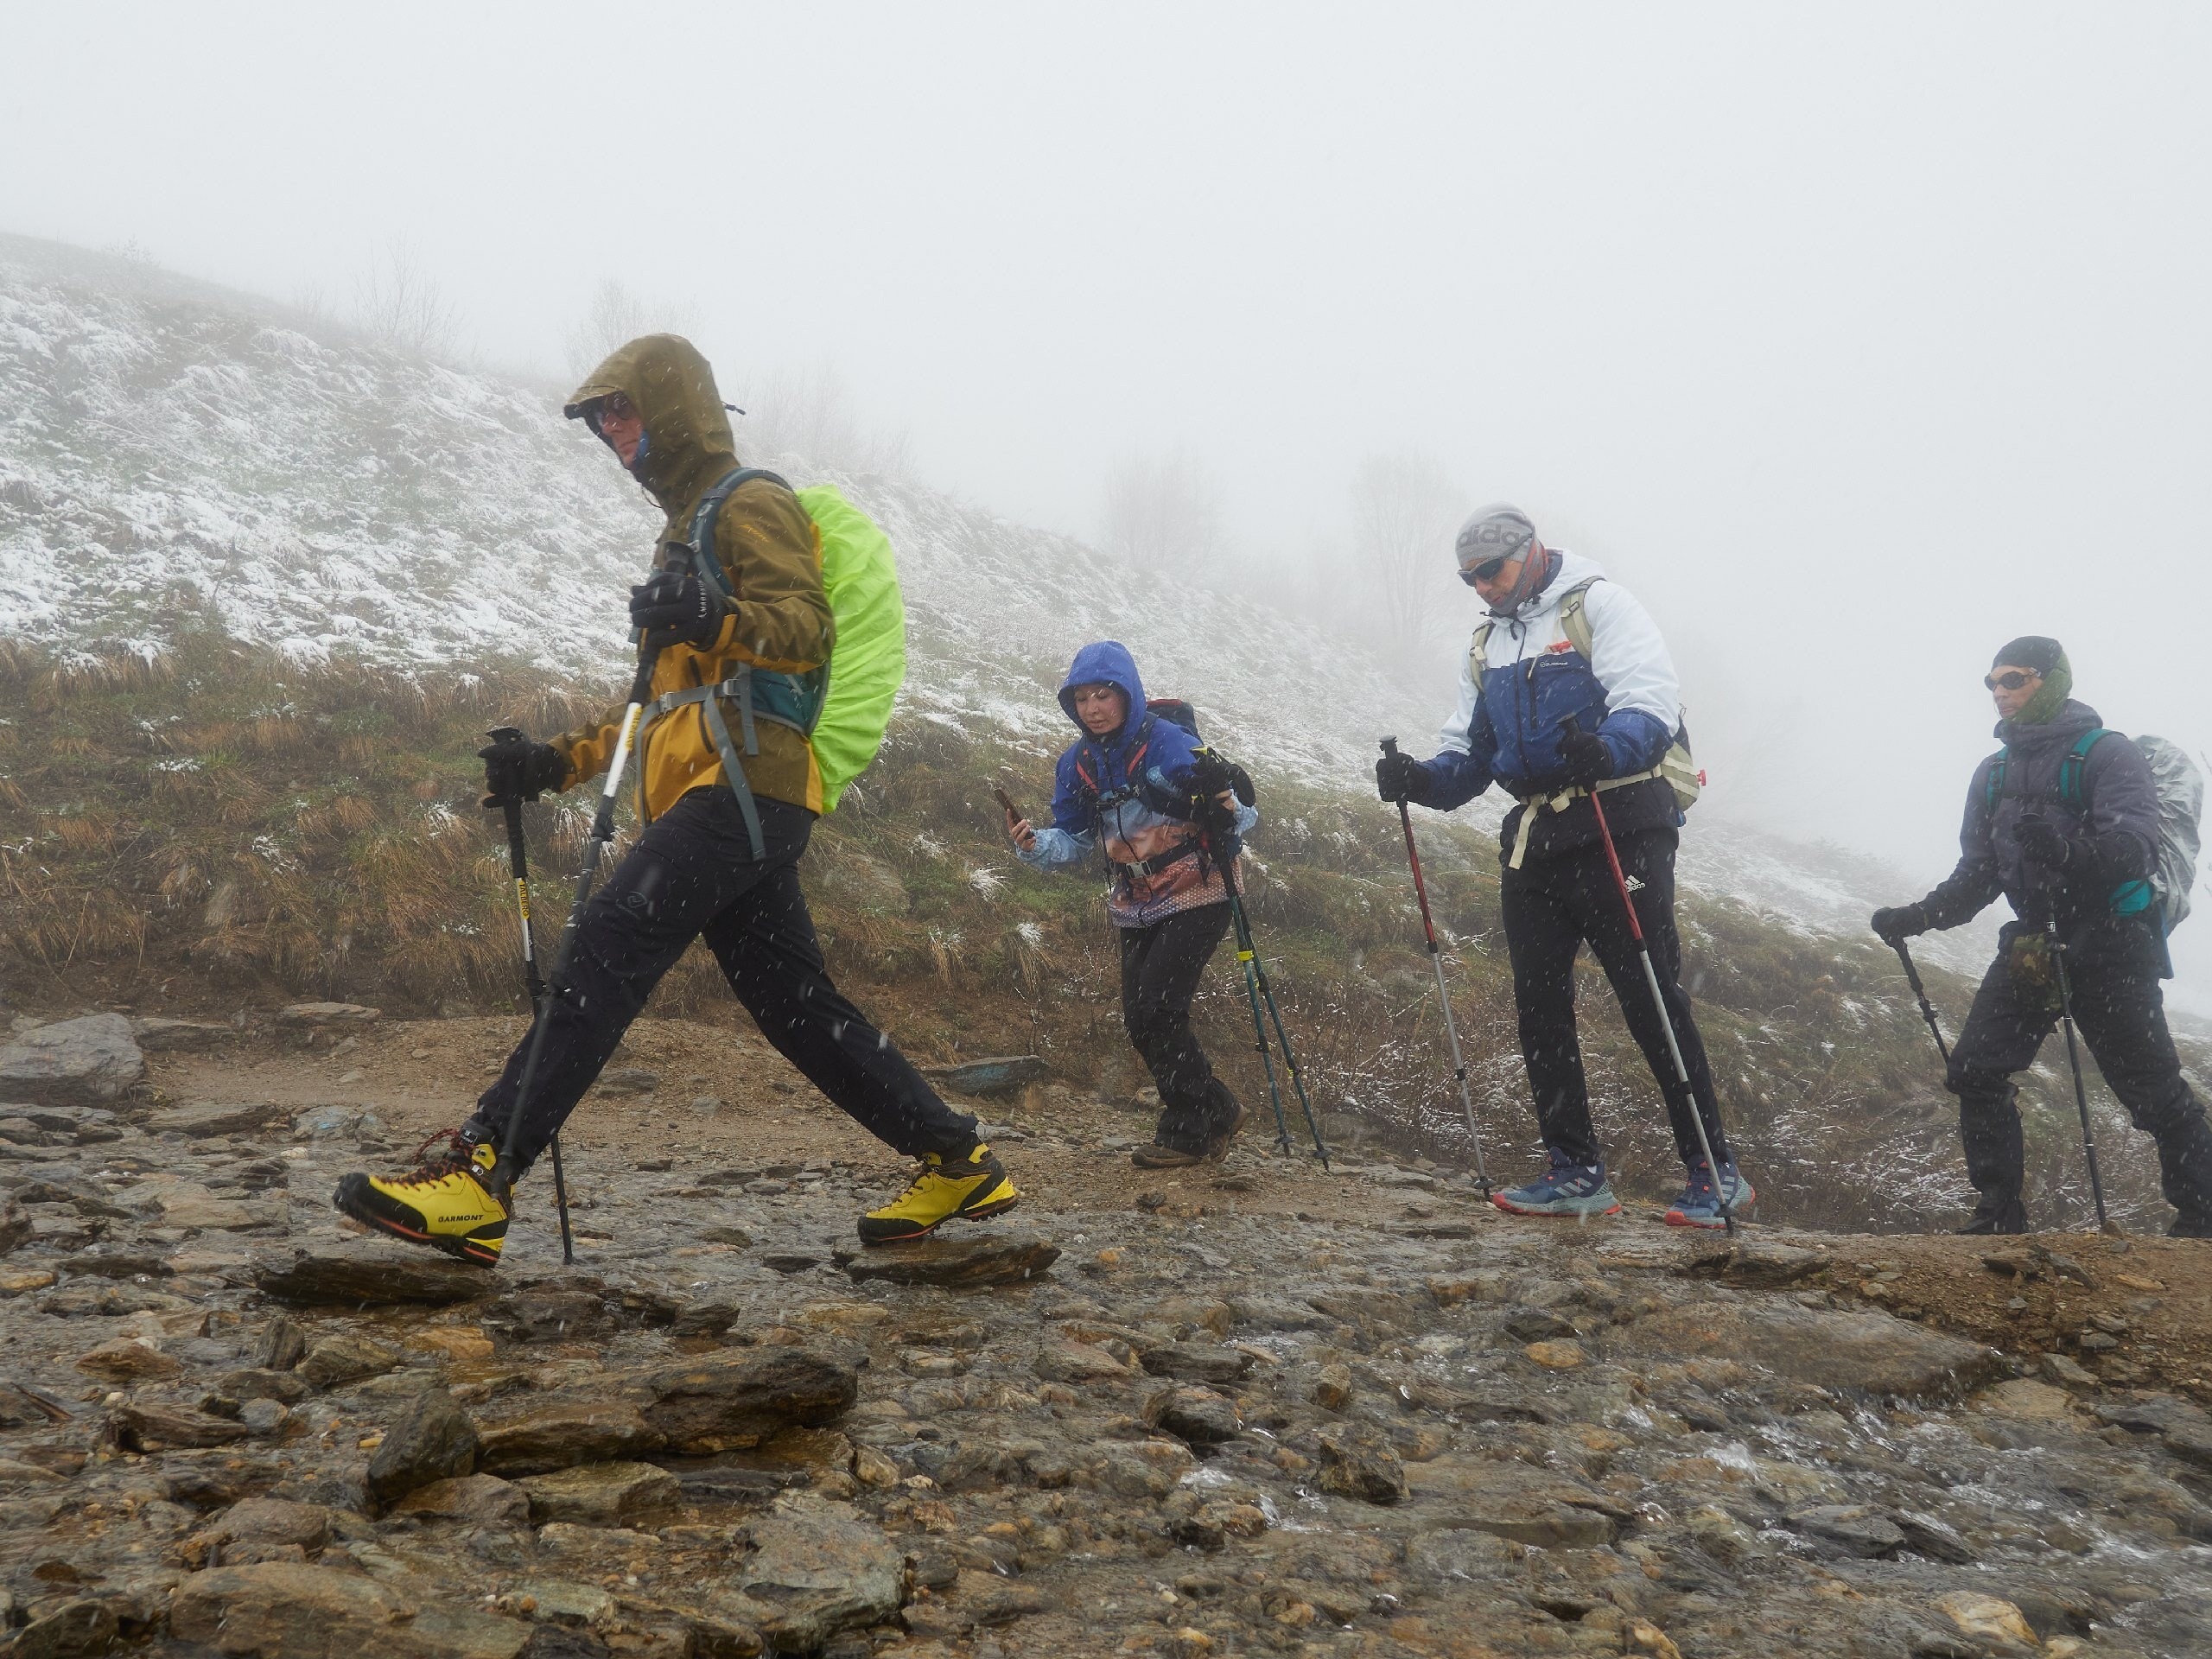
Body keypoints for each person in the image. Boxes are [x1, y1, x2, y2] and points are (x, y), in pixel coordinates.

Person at [335, 334, 1019, 1264]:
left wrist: (717, 616)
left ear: (675, 408)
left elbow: (807, 628)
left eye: (623, 409)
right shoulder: (685, 530)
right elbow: (660, 704)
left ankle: (481, 1176)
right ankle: (958, 1160)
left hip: (746, 786)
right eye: (601, 419)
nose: (612, 432)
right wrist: (553, 763)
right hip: (731, 793)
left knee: (609, 941)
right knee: (797, 1009)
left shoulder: (750, 501)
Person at [1374, 504, 1750, 1227]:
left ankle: (1715, 1169)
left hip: (1621, 821)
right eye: (1469, 578)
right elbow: (1471, 757)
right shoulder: (1485, 645)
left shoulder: (1598, 606)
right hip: (1537, 837)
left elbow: (1650, 703)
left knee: (1649, 998)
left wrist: (1607, 748)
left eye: (1492, 571)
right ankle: (1575, 1171)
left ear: (1531, 551)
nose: (1482, 586)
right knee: (1539, 1007)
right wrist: (1418, 779)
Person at [1872, 637, 2212, 1236]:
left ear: (2051, 681)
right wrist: (1919, 916)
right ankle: (1998, 1214)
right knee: (1975, 1071)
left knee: (2150, 1089)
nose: (1999, 692)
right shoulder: (1994, 772)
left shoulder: (2107, 753)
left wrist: (2067, 852)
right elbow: (1979, 872)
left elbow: (2135, 850)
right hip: (2033, 942)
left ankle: (2203, 1211)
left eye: (2015, 679)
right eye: (1992, 682)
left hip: (2113, 941)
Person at [1007, 642, 1256, 1167]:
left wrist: (1226, 802)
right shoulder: (1077, 764)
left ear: (1128, 694)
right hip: (1136, 897)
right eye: (1081, 699)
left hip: (1200, 886)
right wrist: (1033, 844)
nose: (1092, 708)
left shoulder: (1171, 744)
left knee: (1159, 1007)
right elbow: (1075, 839)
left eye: (1103, 695)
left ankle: (1187, 1132)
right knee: (1140, 1018)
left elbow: (1241, 814)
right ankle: (1219, 1109)